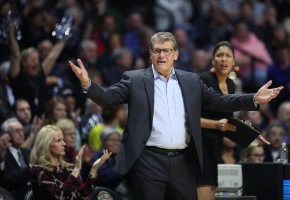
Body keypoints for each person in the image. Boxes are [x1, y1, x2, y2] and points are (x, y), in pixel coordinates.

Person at [69, 32, 283, 200]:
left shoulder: (190, 80)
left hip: (183, 160)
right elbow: (107, 98)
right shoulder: (134, 80)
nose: (162, 55)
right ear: (150, 54)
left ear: (176, 54)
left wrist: (254, 98)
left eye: (167, 51)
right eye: (157, 50)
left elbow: (220, 101)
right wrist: (88, 84)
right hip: (148, 160)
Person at [196, 41, 240, 200]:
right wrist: (215, 124)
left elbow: (229, 119)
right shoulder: (203, 80)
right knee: (204, 190)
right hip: (198, 144)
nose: (224, 59)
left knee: (213, 189)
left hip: (215, 146)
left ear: (234, 61)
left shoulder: (230, 84)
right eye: (219, 55)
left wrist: (252, 134)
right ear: (212, 60)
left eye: (228, 56)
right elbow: (188, 118)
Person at [30, 125, 111, 200]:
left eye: (63, 140)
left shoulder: (69, 168)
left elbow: (84, 196)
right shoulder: (38, 171)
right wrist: (76, 170)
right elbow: (59, 196)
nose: (64, 144)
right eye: (58, 141)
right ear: (46, 145)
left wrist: (94, 169)